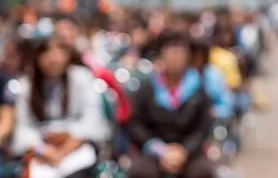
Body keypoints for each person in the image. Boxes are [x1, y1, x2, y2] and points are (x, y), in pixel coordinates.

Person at [11, 38, 111, 178]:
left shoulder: (82, 77)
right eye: (47, 53)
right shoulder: (27, 84)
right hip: (42, 151)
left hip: (77, 147)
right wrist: (44, 151)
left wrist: (65, 149)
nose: (53, 59)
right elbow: (23, 129)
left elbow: (91, 120)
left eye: (58, 52)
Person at [126, 30, 214, 178]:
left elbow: (203, 126)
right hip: (154, 149)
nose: (175, 58)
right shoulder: (147, 87)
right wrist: (160, 150)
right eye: (171, 52)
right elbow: (135, 123)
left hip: (188, 151)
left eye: (180, 53)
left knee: (202, 171)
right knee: (140, 172)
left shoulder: (198, 87)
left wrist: (184, 151)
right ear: (161, 56)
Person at [191, 39, 234, 120]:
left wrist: (213, 112)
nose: (195, 61)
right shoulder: (184, 76)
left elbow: (227, 104)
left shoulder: (214, 75)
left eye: (198, 57)